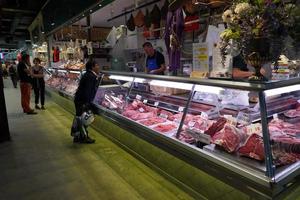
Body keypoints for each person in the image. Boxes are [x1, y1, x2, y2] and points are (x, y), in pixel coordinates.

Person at [72, 60, 100, 143]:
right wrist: (88, 103)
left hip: (79, 99)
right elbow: (87, 91)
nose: (98, 67)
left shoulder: (87, 74)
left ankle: (76, 136)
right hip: (82, 101)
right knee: (84, 119)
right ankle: (84, 137)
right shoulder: (91, 76)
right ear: (92, 67)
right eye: (97, 65)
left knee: (79, 118)